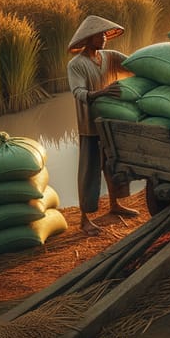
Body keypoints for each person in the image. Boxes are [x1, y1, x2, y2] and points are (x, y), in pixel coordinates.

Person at [67, 15, 139, 235]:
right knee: (89, 171)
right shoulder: (76, 65)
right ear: (89, 38)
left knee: (112, 164)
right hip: (89, 126)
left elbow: (133, 65)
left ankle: (115, 205)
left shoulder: (110, 57)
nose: (105, 38)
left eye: (106, 34)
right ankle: (84, 218)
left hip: (110, 124)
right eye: (100, 34)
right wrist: (103, 92)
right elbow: (78, 92)